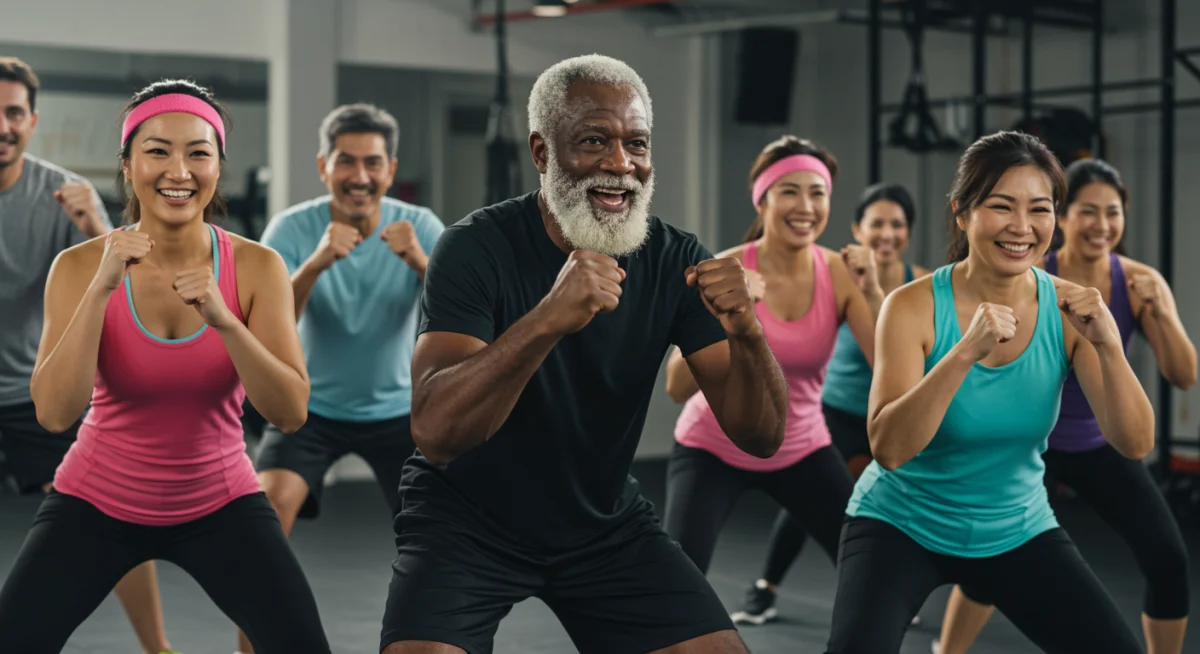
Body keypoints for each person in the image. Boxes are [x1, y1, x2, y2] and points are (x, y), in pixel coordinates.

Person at [378, 54, 788, 654]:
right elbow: (437, 433)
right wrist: (547, 318)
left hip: (602, 524)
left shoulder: (676, 261)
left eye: (637, 144)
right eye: (594, 140)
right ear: (542, 152)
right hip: (466, 522)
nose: (620, 164)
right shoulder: (473, 249)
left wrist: (749, 333)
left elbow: (762, 438)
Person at [0, 79, 332, 654]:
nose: (178, 171)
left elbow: (290, 413)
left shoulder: (257, 267)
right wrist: (101, 288)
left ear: (217, 168)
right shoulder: (78, 267)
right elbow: (54, 414)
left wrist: (226, 322)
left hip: (220, 500)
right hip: (96, 499)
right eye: (157, 151)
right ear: (127, 165)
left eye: (198, 153)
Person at [823, 130, 1155, 654]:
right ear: (962, 212)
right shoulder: (910, 306)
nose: (1022, 227)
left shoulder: (1069, 310)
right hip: (901, 524)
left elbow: (1135, 443)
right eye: (1001, 206)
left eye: (1040, 209)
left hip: (1016, 528)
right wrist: (962, 354)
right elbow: (889, 448)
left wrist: (1109, 347)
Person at [933, 158, 1194, 654]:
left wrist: (1160, 311)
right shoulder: (1028, 275)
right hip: (1033, 441)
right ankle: (947, 650)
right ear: (1062, 217)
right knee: (993, 556)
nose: (1101, 224)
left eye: (1113, 212)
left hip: (1099, 443)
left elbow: (1183, 375)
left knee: (1168, 558)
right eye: (1087, 211)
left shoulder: (1139, 282)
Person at [244, 103, 444, 653]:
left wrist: (420, 262)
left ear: (390, 168)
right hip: (310, 409)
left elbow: (463, 311)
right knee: (260, 522)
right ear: (323, 166)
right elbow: (267, 325)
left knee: (439, 535)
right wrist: (315, 264)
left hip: (399, 413)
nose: (360, 176)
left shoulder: (422, 226)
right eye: (347, 162)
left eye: (372, 162)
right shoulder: (292, 228)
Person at [0, 56, 179, 654]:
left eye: (13, 113)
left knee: (110, 510)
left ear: (32, 121)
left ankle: (158, 648)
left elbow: (133, 282)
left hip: (32, 387)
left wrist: (95, 224)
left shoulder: (62, 195)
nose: (2, 126)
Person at [661, 137, 878, 617]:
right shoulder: (725, 267)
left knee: (870, 567)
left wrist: (874, 291)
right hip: (713, 445)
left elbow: (886, 363)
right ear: (762, 200)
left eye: (817, 193)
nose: (806, 206)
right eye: (789, 191)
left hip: (801, 445)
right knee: (677, 586)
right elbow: (677, 387)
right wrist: (733, 317)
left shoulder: (840, 272)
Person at [730, 182, 933, 626]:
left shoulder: (922, 283)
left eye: (897, 225)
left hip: (894, 413)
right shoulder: (841, 274)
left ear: (908, 231)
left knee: (908, 504)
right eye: (876, 224)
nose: (887, 234)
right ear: (857, 229)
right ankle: (766, 587)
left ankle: (894, 595)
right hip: (840, 411)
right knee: (809, 502)